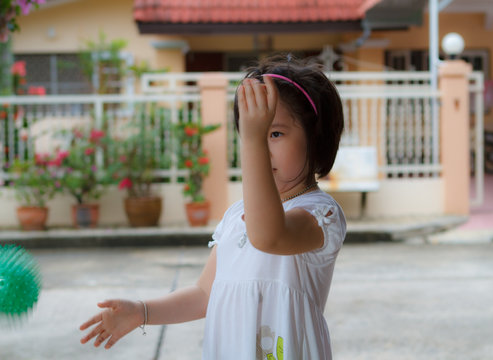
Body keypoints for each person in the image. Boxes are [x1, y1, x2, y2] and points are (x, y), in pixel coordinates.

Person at [79, 54, 346, 359]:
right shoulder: (235, 217)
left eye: (274, 134)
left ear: (316, 137)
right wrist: (142, 311)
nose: (259, 145)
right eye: (252, 133)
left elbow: (269, 236)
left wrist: (252, 141)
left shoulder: (320, 214)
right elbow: (205, 294)